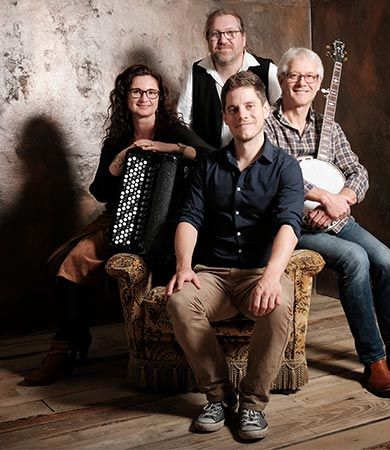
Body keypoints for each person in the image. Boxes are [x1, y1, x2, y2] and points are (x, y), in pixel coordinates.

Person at [265, 47, 390, 398]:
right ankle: (374, 359)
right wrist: (319, 198)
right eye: (294, 75)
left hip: (335, 218)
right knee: (355, 259)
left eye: (311, 77)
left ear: (320, 84)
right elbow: (274, 177)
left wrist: (343, 198)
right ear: (282, 79)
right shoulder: (267, 126)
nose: (302, 82)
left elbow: (358, 171)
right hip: (293, 226)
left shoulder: (328, 126)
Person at [23, 64, 213, 386]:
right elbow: (99, 191)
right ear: (125, 96)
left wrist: (174, 149)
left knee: (78, 263)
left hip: (167, 223)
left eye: (151, 92)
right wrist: (117, 162)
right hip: (120, 217)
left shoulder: (173, 130)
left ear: (159, 97)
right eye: (137, 92)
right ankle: (66, 345)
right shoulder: (117, 139)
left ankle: (72, 342)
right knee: (69, 263)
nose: (144, 98)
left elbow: (213, 157)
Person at [165, 71, 303, 441]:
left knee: (278, 305)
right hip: (214, 274)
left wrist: (273, 276)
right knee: (180, 302)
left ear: (264, 110)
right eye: (233, 109)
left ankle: (253, 405)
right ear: (225, 116)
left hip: (261, 270)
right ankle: (219, 396)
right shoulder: (208, 167)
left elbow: (290, 224)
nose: (242, 114)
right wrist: (183, 266)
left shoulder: (286, 168)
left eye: (249, 106)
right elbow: (188, 218)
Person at [176, 8, 281, 149]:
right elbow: (182, 123)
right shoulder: (196, 72)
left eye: (230, 33)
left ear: (243, 38)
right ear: (207, 40)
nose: (222, 40)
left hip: (258, 165)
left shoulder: (268, 71)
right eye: (215, 34)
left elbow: (283, 122)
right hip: (208, 165)